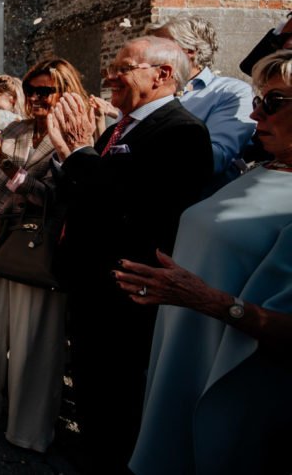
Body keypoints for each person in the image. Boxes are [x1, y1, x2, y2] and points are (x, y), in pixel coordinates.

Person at [115, 48, 292, 475]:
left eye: (272, 103)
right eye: (256, 102)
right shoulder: (261, 171)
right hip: (182, 346)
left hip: (239, 376)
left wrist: (213, 302)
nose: (255, 117)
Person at [47, 36, 213, 472]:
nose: (109, 76)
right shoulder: (121, 128)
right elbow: (85, 195)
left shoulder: (181, 131)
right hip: (90, 288)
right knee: (93, 401)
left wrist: (80, 152)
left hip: (125, 295)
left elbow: (136, 209)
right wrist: (69, 155)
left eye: (123, 67)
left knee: (118, 408)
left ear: (161, 75)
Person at [0, 58, 92, 453]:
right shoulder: (15, 128)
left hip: (41, 249)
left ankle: (27, 429)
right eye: (32, 90)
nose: (37, 98)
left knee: (35, 340)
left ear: (66, 92)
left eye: (47, 91)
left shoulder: (76, 140)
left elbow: (50, 197)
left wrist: (4, 164)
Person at [149, 17, 255, 186]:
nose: (150, 53)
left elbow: (215, 160)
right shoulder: (148, 89)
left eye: (160, 45)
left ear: (190, 50)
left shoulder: (230, 92)